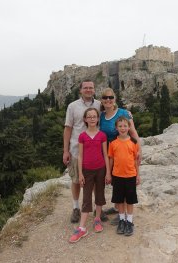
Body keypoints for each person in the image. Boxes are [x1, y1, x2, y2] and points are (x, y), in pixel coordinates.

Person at [99, 87, 141, 225]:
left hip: (124, 151)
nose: (108, 100)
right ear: (102, 100)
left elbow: (133, 133)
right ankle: (118, 208)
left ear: (114, 99)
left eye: (111, 97)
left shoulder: (123, 113)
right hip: (109, 153)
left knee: (123, 182)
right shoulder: (101, 116)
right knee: (116, 182)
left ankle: (122, 215)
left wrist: (139, 150)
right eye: (105, 98)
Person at [68, 108, 111, 243]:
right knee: (86, 197)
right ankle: (82, 228)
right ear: (85, 120)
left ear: (98, 119)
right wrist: (80, 173)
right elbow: (80, 156)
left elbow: (105, 154)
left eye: (94, 116)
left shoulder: (102, 135)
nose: (92, 119)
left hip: (100, 169)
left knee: (99, 195)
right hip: (86, 171)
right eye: (89, 117)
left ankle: (97, 219)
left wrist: (108, 172)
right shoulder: (82, 136)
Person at [63, 79, 101, 223]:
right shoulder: (72, 106)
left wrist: (127, 114)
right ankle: (75, 208)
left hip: (95, 150)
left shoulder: (99, 105)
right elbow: (68, 129)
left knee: (95, 182)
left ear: (94, 89)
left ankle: (97, 209)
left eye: (91, 87)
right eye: (85, 88)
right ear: (80, 90)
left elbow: (112, 110)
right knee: (76, 181)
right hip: (76, 150)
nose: (88, 90)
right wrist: (65, 151)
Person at [108, 116, 140, 236]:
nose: (123, 128)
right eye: (120, 126)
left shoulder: (133, 142)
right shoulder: (113, 143)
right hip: (117, 175)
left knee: (130, 200)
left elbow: (136, 160)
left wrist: (138, 175)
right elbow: (110, 159)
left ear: (129, 127)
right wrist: (108, 174)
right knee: (119, 199)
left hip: (131, 175)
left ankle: (129, 221)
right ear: (116, 128)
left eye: (125, 126)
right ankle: (122, 220)